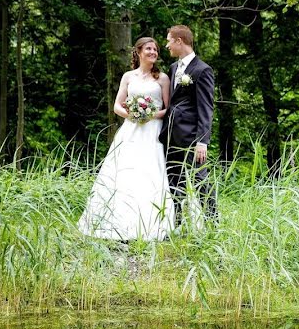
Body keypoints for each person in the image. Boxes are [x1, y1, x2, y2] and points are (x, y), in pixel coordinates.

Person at [78, 37, 175, 241]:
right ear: (139, 52)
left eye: (156, 49)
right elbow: (117, 106)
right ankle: (117, 223)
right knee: (124, 172)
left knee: (149, 172)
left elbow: (167, 109)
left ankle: (151, 225)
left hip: (152, 132)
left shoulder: (163, 78)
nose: (153, 52)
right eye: (148, 48)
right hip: (130, 130)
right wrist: (133, 115)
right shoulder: (128, 77)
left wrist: (148, 115)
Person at [159, 25, 218, 226]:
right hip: (171, 134)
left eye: (169, 41)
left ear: (179, 41)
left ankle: (213, 223)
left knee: (200, 180)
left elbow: (206, 108)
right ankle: (177, 224)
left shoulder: (202, 70)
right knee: (173, 179)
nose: (166, 45)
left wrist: (203, 141)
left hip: (192, 137)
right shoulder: (174, 69)